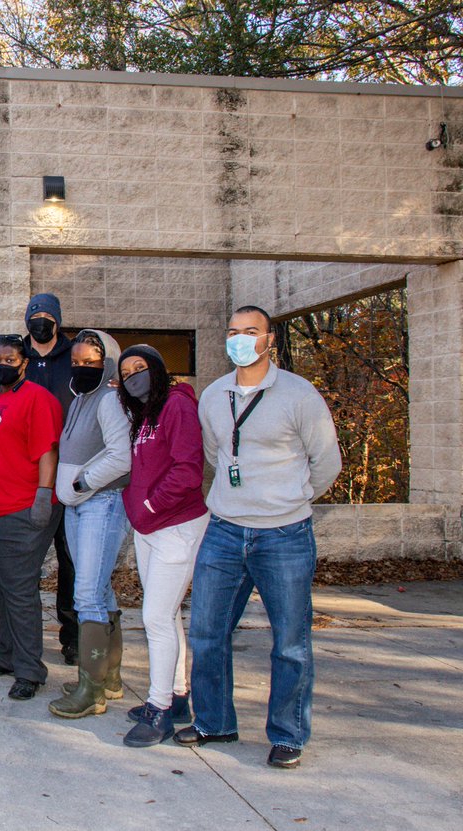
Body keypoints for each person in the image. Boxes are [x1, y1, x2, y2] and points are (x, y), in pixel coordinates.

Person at [177, 306, 340, 769]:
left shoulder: (298, 394)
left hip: (284, 535)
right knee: (207, 633)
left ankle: (288, 734)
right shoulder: (214, 395)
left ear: (270, 339)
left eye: (251, 331)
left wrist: (289, 499)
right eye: (233, 331)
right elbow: (216, 454)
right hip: (225, 531)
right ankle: (214, 723)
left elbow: (326, 462)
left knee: (290, 641)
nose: (241, 339)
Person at [114, 345, 209, 747]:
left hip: (176, 525)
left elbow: (188, 470)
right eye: (126, 373)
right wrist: (138, 508)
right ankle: (177, 697)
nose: (133, 376)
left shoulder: (177, 406)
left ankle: (159, 710)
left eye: (140, 367)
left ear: (157, 368)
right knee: (167, 617)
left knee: (155, 618)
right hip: (149, 527)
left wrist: (151, 504)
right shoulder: (144, 415)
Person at [0, 335, 63, 701]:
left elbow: (48, 450)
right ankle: (6, 655)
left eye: (9, 358)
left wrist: (43, 495)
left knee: (19, 592)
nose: (1, 364)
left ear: (25, 363)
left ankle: (29, 669)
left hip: (21, 511)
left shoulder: (38, 398)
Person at [48, 329, 132, 721]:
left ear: (108, 364)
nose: (81, 368)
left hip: (102, 502)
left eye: (90, 362)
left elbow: (121, 456)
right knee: (99, 589)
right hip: (79, 507)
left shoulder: (110, 400)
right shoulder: (81, 398)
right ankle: (108, 678)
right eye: (76, 362)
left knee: (86, 595)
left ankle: (91, 690)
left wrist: (83, 482)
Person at [22, 293, 80, 666]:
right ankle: (22, 639)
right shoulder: (17, 356)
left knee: (70, 559)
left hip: (70, 470)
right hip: (28, 474)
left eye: (47, 315)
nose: (41, 320)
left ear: (58, 320)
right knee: (25, 558)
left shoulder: (75, 356)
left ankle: (72, 637)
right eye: (35, 314)